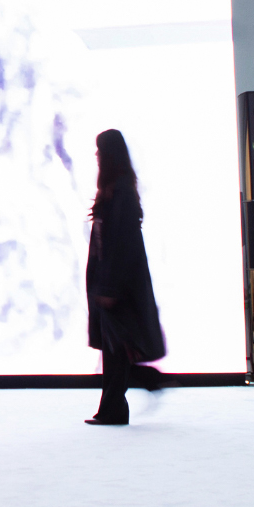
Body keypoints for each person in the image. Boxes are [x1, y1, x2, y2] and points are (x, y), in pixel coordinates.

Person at [85, 129, 165, 426]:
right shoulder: (115, 188)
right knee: (114, 350)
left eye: (99, 150)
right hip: (110, 281)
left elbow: (121, 242)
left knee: (117, 350)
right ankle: (117, 405)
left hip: (116, 285)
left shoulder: (119, 191)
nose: (96, 156)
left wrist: (109, 286)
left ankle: (118, 406)